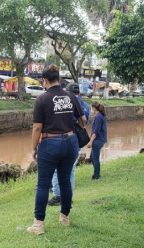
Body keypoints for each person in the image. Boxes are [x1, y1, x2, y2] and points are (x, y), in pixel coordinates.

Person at [27, 65, 86, 235]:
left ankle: (38, 225)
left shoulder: (42, 99)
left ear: (44, 80)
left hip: (49, 143)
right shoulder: (70, 96)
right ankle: (64, 217)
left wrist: (33, 148)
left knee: (43, 185)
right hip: (70, 143)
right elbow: (83, 120)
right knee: (65, 181)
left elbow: (37, 127)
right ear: (58, 79)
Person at [48, 83, 90, 206]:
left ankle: (58, 196)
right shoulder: (86, 105)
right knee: (71, 170)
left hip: (64, 138)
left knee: (57, 170)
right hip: (77, 140)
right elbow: (84, 122)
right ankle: (68, 196)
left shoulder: (67, 102)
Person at [87, 102, 107, 180]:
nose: (91, 110)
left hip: (98, 140)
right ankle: (96, 173)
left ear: (94, 108)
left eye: (91, 108)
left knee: (95, 158)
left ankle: (96, 176)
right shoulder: (101, 115)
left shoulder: (98, 117)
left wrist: (90, 142)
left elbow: (95, 131)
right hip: (101, 139)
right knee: (92, 157)